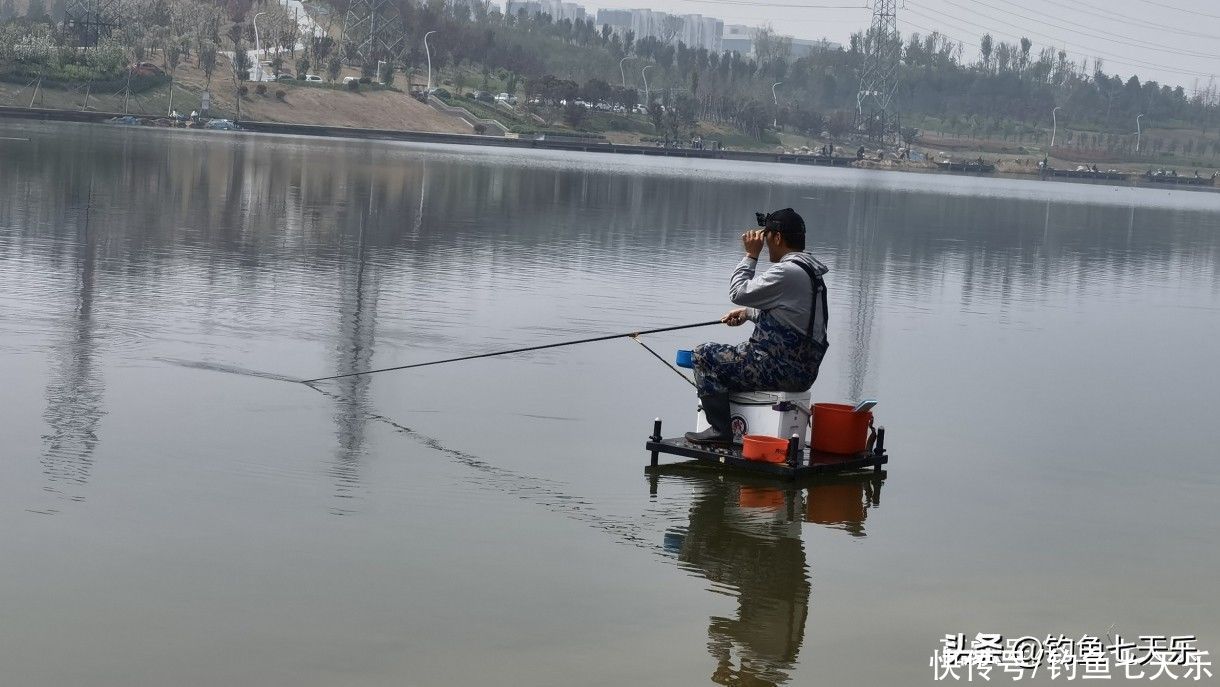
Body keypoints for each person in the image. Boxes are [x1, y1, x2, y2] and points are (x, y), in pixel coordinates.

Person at [685, 209, 830, 445]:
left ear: (777, 238)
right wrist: (749, 313)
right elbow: (795, 317)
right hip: (802, 373)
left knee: (703, 355)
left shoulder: (786, 271)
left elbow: (738, 292)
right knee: (729, 356)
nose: (763, 243)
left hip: (777, 369)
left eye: (766, 236)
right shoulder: (810, 272)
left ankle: (720, 431)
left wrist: (750, 256)